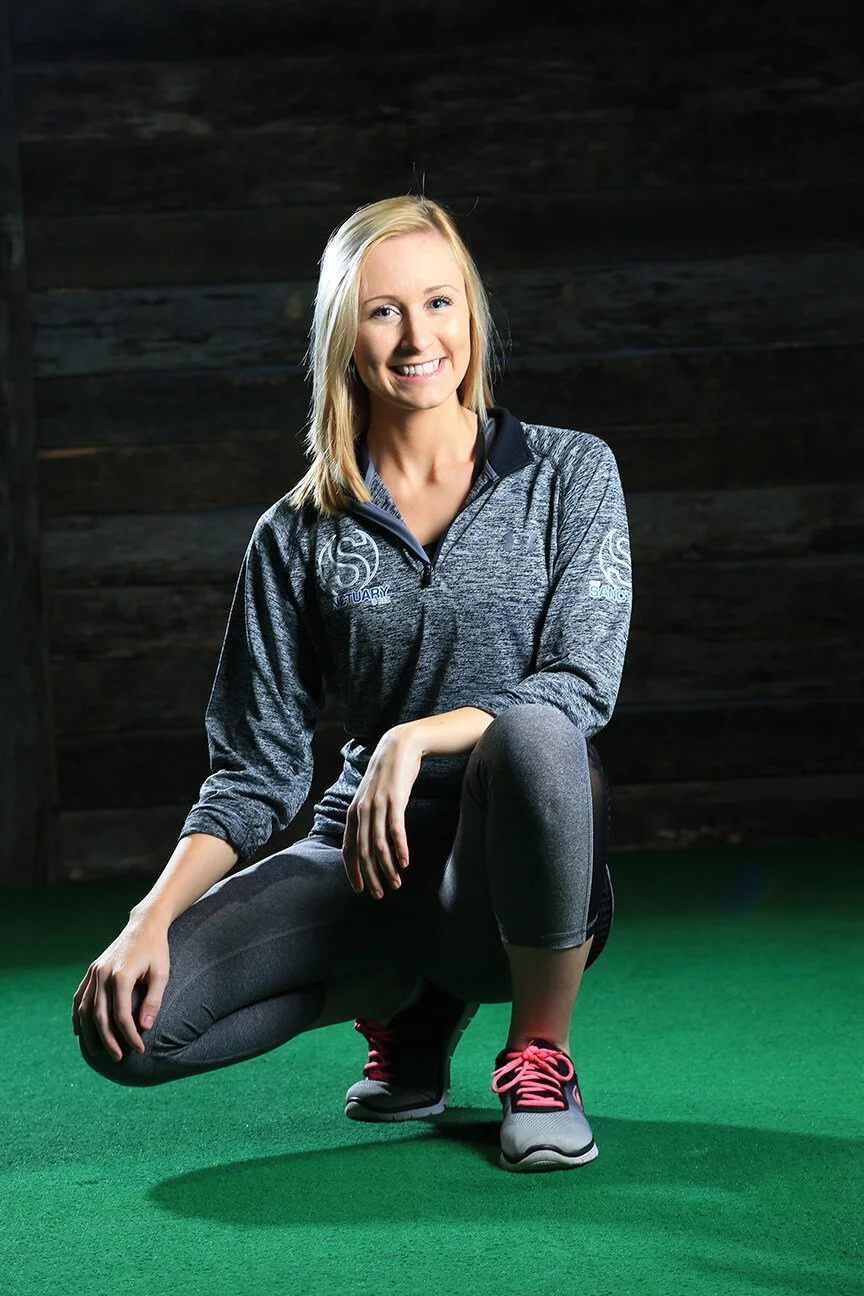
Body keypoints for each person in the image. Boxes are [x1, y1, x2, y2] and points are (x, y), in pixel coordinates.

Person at [72, 193, 633, 1174]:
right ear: (345, 334)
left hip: (512, 878)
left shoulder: (568, 474)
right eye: (383, 311)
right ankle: (399, 999)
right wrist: (145, 920)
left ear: (472, 314)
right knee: (128, 1030)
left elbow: (579, 687)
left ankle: (541, 1055)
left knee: (540, 736)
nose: (419, 337)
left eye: (440, 303)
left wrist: (416, 735)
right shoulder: (297, 530)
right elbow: (255, 767)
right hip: (362, 859)